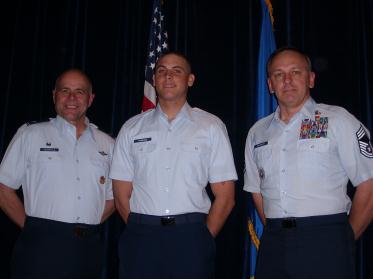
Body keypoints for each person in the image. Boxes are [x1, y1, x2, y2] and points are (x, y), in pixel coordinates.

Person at [244, 46, 373, 279]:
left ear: (311, 78)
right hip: (274, 243)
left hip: (326, 240)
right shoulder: (257, 132)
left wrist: (343, 237)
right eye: (278, 74)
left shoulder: (337, 120)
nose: (287, 80)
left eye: (296, 72)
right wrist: (281, 229)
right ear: (270, 84)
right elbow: (256, 190)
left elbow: (369, 183)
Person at [110, 52, 237, 279]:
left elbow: (225, 196)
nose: (168, 76)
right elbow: (120, 194)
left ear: (190, 79)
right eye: (161, 71)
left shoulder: (210, 127)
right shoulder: (131, 128)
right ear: (154, 80)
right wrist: (140, 228)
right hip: (141, 237)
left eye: (176, 70)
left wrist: (204, 237)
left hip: (191, 237)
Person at [0, 69, 115, 279]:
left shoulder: (108, 143)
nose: (72, 98)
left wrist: (88, 224)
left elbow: (114, 196)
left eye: (80, 92)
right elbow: (3, 187)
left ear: (90, 99)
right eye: (65, 90)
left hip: (88, 247)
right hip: (39, 247)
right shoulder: (31, 134)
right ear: (54, 95)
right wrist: (33, 228)